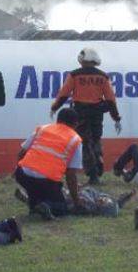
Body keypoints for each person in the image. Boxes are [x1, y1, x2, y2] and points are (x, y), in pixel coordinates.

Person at [51, 48, 122, 185]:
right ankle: (99, 163)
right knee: (96, 140)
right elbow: (111, 99)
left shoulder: (74, 75)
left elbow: (64, 94)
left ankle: (93, 174)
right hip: (97, 114)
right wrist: (116, 118)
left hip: (80, 113)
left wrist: (55, 107)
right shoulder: (103, 76)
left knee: (84, 143)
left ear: (82, 60)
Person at [15, 108, 83, 221]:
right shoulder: (75, 139)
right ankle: (47, 206)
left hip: (22, 175)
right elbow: (71, 175)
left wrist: (17, 170)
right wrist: (76, 202)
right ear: (75, 124)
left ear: (58, 120)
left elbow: (22, 153)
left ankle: (34, 205)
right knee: (62, 209)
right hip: (46, 181)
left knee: (36, 191)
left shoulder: (43, 128)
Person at [14, 186, 136, 218]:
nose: (102, 200)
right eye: (104, 199)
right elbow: (115, 204)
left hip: (66, 202)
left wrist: (75, 194)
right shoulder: (97, 198)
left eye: (103, 202)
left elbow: (78, 204)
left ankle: (28, 200)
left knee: (49, 202)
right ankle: (30, 198)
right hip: (70, 194)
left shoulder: (91, 206)